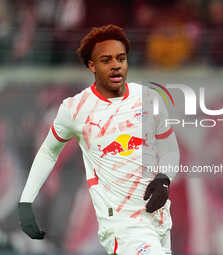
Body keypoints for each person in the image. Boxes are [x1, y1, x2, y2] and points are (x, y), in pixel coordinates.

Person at [18, 24, 180, 255]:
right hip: (122, 224)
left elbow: (169, 149)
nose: (115, 65)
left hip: (158, 218)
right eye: (106, 60)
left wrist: (164, 178)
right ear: (91, 66)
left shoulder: (149, 99)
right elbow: (48, 152)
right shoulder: (74, 109)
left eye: (121, 58)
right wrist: (26, 201)